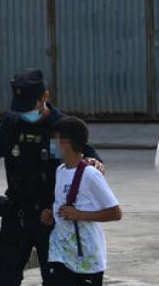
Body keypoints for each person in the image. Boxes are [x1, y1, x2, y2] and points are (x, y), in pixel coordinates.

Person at [0, 70, 103, 286]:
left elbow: (86, 157)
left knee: (56, 280)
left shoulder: (61, 127)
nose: (24, 112)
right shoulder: (12, 123)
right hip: (16, 215)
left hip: (51, 220)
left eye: (29, 106)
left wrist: (95, 163)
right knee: (6, 279)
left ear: (44, 97)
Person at [44, 117, 122, 286]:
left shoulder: (90, 174)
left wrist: (79, 215)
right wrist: (52, 214)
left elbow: (115, 213)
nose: (51, 145)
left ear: (66, 143)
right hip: (60, 254)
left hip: (86, 259)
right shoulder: (60, 170)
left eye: (54, 139)